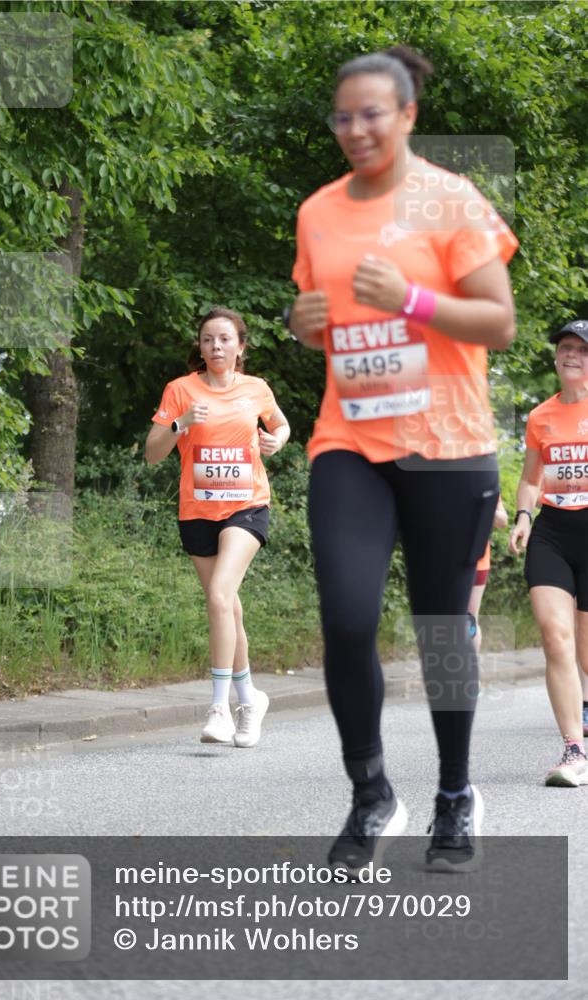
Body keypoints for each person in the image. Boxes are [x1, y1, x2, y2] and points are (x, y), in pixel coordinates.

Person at [287, 46, 518, 873]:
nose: (354, 129)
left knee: (440, 629)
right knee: (347, 618)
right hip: (349, 438)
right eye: (341, 116)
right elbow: (320, 315)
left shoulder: (451, 201)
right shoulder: (317, 212)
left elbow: (498, 322)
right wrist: (302, 323)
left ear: (408, 114)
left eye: (372, 114)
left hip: (447, 445)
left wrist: (412, 299)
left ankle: (454, 793)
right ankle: (370, 791)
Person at [145, 308, 290, 747]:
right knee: (228, 608)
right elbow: (152, 454)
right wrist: (181, 423)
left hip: (246, 507)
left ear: (240, 346)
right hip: (197, 512)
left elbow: (280, 424)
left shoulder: (256, 388)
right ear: (200, 346)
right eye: (208, 339)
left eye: (225, 339)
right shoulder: (180, 390)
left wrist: (276, 440)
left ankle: (219, 708)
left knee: (220, 596)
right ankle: (250, 700)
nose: (216, 347)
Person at [509, 317, 588, 787]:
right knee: (556, 636)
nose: (571, 355)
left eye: (581, 349)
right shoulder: (541, 416)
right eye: (565, 347)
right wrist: (523, 516)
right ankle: (574, 749)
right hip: (552, 532)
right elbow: (530, 478)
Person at [467, 496, 508, 653]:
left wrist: (484, 507)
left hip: (478, 560)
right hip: (445, 558)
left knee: (469, 618)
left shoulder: (484, 486)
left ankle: (472, 667)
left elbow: (503, 521)